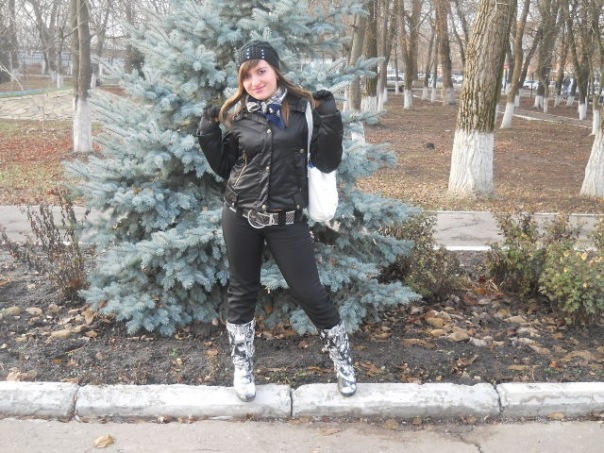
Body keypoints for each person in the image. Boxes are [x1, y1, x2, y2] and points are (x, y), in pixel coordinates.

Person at [196, 40, 356, 402]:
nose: (255, 81)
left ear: (276, 71)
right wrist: (208, 132)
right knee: (242, 290)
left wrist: (330, 118)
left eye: (261, 72)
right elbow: (225, 167)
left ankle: (344, 362)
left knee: (310, 292)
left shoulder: (302, 109)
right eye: (247, 76)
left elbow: (327, 161)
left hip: (287, 218)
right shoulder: (238, 114)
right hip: (239, 213)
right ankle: (243, 368)